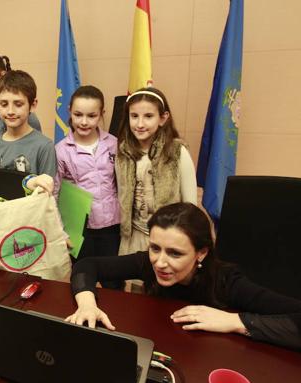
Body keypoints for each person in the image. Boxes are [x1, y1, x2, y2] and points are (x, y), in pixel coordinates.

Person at [66, 202, 301, 350]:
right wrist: (87, 304)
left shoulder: (227, 282)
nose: (160, 262)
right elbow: (87, 265)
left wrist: (236, 321)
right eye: (155, 248)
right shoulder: (148, 263)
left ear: (201, 253)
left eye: (175, 253)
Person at [116, 87, 197, 256]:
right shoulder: (123, 152)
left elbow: (190, 206)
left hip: (168, 239)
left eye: (148, 116)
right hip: (132, 238)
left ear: (163, 118)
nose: (139, 124)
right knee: (134, 280)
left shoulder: (177, 152)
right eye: (134, 116)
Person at [54, 86, 120, 280]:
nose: (84, 122)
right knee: (83, 277)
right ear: (69, 112)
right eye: (78, 114)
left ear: (101, 114)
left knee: (113, 279)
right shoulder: (61, 150)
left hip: (112, 226)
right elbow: (54, 193)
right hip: (79, 228)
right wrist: (61, 233)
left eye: (91, 116)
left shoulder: (113, 143)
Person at [0, 70, 56, 177]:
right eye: (4, 104)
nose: (10, 111)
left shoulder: (44, 146)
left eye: (18, 104)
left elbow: (47, 190)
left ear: (33, 105)